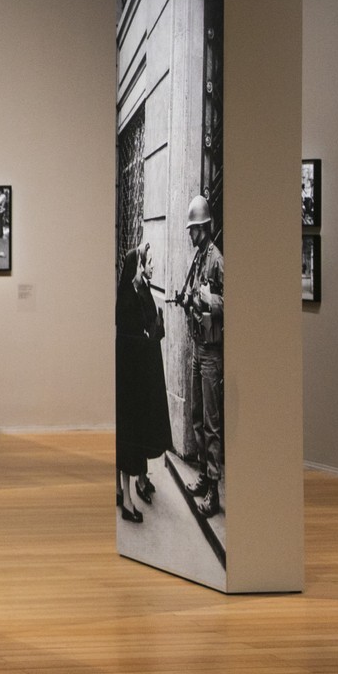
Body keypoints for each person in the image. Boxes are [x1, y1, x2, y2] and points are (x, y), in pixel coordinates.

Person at [116, 241, 173, 524]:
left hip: (135, 377)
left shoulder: (137, 292)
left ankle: (128, 490)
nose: (144, 269)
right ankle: (126, 500)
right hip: (129, 381)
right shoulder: (127, 297)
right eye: (141, 265)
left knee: (132, 438)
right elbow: (131, 338)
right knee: (128, 440)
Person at [175, 195, 224, 518]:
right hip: (197, 346)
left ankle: (215, 493)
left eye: (193, 229)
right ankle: (205, 479)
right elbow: (196, 295)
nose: (189, 234)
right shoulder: (198, 258)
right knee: (195, 414)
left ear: (203, 228)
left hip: (211, 351)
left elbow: (227, 303)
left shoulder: (217, 259)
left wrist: (210, 298)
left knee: (211, 424)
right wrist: (189, 298)